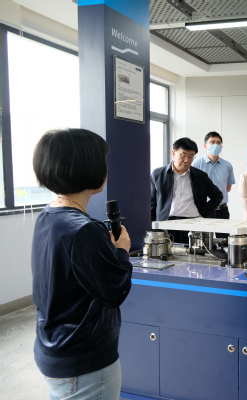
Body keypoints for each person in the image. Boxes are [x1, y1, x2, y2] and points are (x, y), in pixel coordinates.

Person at [31, 128, 133, 400]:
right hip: (84, 360)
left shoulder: (48, 215)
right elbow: (115, 291)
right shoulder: (85, 229)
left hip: (54, 346)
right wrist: (121, 251)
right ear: (88, 167)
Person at [151, 137, 223, 243]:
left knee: (191, 252)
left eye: (191, 156)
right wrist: (152, 227)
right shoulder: (158, 174)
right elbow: (151, 203)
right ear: (173, 153)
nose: (187, 160)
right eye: (183, 155)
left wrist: (202, 213)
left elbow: (217, 196)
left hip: (192, 224)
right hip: (166, 224)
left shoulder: (200, 176)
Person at [192, 131, 235, 238]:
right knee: (203, 242)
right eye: (212, 142)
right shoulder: (196, 164)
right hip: (203, 210)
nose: (215, 145)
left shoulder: (227, 165)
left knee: (224, 241)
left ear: (221, 146)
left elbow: (228, 188)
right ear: (205, 145)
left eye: (218, 142)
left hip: (222, 210)